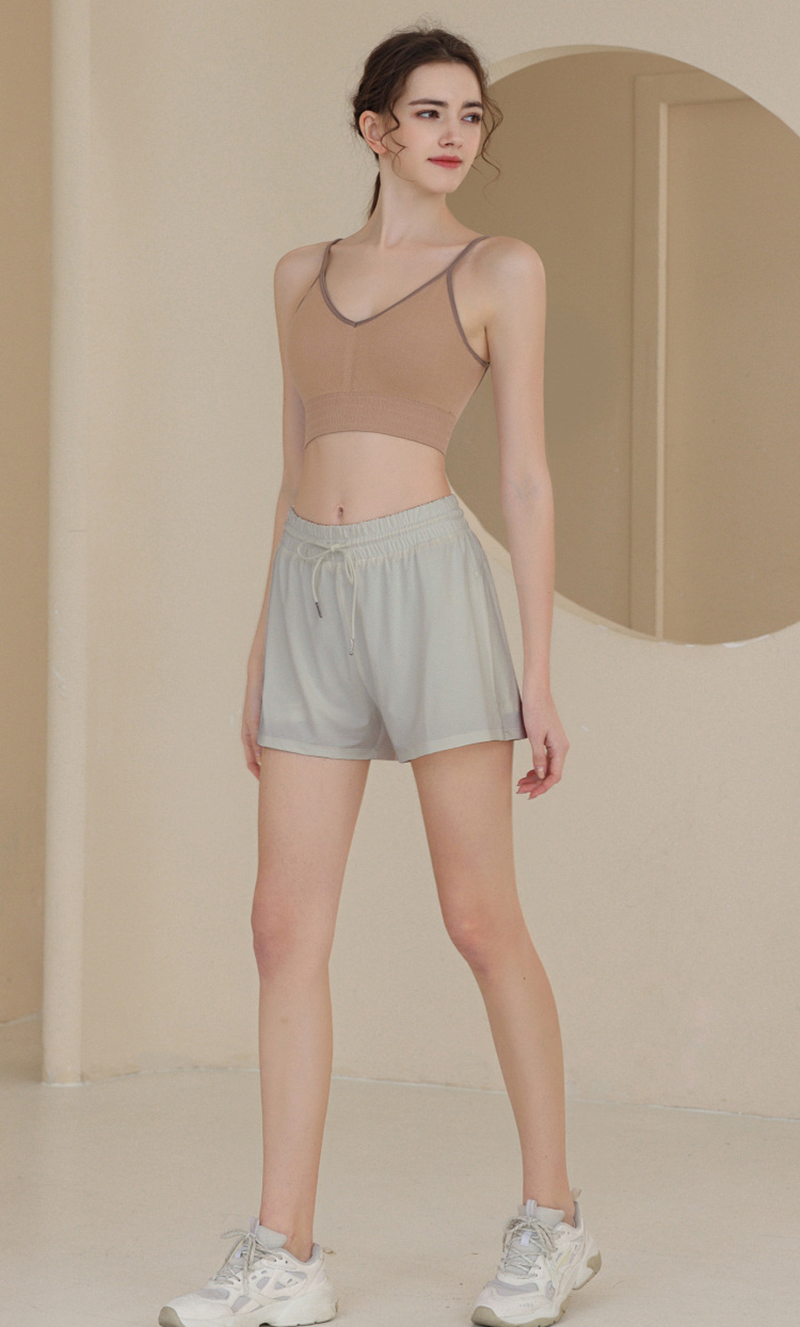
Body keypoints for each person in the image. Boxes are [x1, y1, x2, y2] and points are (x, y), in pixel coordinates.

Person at [159, 20, 601, 1327]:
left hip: (432, 589)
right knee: (282, 928)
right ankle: (283, 1250)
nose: (455, 134)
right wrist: (261, 645)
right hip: (309, 591)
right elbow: (292, 458)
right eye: (428, 112)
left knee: (479, 918)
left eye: (470, 114)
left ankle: (553, 1222)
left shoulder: (499, 268)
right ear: (376, 129)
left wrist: (539, 671)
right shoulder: (298, 273)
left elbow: (525, 477)